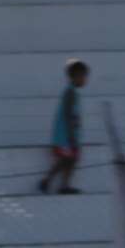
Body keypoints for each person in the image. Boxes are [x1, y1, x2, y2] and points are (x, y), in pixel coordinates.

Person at [38, 59, 87, 196]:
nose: (85, 80)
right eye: (82, 76)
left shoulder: (73, 93)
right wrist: (71, 135)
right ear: (75, 77)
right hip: (65, 137)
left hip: (70, 136)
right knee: (66, 160)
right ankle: (47, 181)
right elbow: (68, 114)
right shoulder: (70, 93)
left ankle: (64, 185)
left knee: (71, 160)